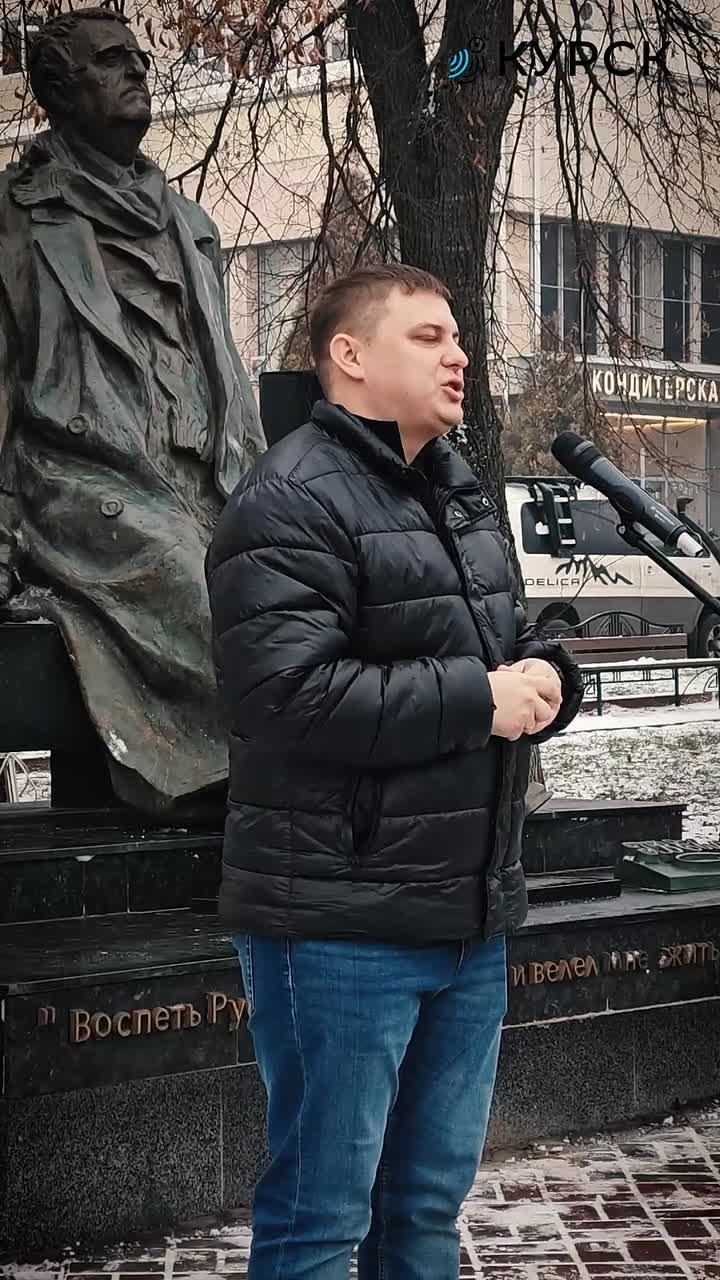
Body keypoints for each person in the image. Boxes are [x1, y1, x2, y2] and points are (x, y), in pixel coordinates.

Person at [205, 263, 584, 1278]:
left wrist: (550, 675)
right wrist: (478, 698)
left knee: (423, 1207)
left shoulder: (456, 489)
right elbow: (285, 697)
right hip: (339, 924)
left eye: (457, 336)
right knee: (323, 1214)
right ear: (350, 355)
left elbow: (492, 651)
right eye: (427, 337)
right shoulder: (288, 497)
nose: (458, 355)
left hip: (467, 918)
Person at [0, 9, 264, 814]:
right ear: (57, 91)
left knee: (312, 584)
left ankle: (369, 775)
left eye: (140, 58)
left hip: (213, 481)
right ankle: (276, 785)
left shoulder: (192, 225)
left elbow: (229, 379)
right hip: (86, 484)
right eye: (111, 60)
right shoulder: (14, 216)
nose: (137, 70)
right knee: (212, 597)